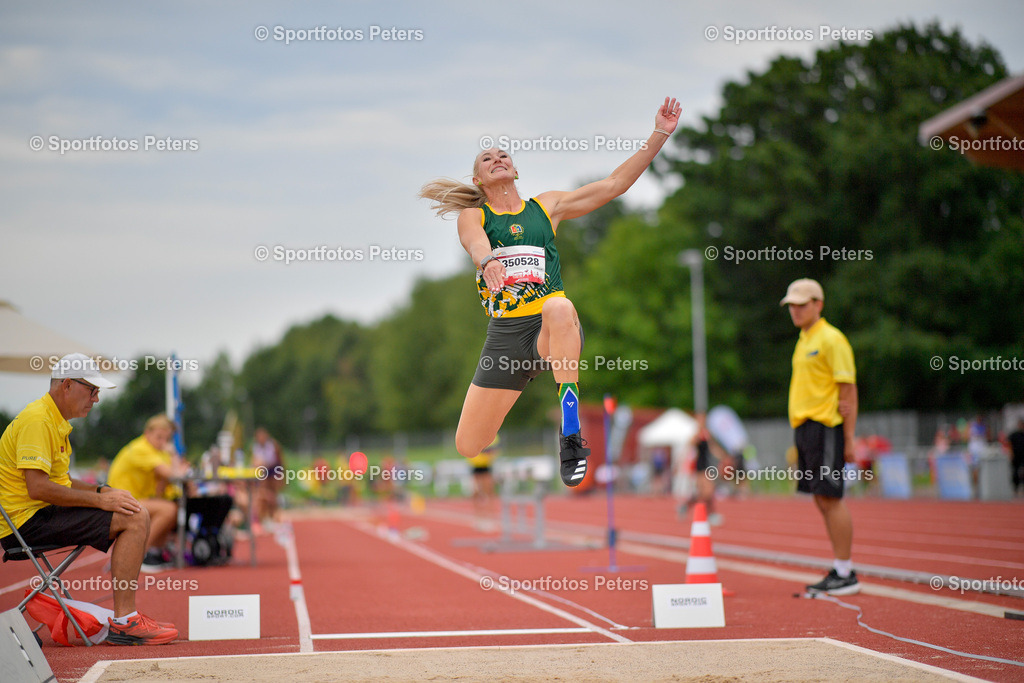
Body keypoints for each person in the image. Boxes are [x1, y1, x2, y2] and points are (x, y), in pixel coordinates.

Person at [420, 97, 682, 487]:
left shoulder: (546, 207)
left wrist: (659, 134)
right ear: (478, 181)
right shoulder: (475, 215)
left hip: (550, 331)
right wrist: (488, 261)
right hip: (506, 338)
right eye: (486, 158)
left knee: (560, 306)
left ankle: (571, 430)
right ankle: (532, 399)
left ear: (516, 169)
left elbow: (614, 185)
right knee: (468, 445)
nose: (497, 158)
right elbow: (475, 242)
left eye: (503, 154)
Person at [0, 353, 177, 644]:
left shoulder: (52, 419)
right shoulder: (37, 420)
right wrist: (102, 502)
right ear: (67, 385)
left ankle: (126, 617)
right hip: (26, 522)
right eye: (92, 390)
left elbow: (63, 483)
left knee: (134, 510)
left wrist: (101, 490)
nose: (96, 398)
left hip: (35, 515)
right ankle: (125, 621)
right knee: (135, 517)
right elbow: (38, 489)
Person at [781, 279, 860, 596]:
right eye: (792, 305)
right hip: (805, 429)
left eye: (802, 304)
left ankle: (846, 571)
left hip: (827, 427)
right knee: (819, 497)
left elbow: (849, 391)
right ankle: (840, 569)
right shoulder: (803, 340)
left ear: (818, 304)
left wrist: (850, 438)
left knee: (831, 496)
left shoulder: (832, 339)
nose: (796, 310)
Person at [107, 414, 189, 572]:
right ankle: (139, 555)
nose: (163, 443)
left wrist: (174, 471)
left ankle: (155, 552)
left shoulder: (156, 451)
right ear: (147, 433)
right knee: (169, 509)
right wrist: (174, 458)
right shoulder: (141, 449)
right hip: (118, 501)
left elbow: (165, 485)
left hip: (135, 499)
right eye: (159, 437)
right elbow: (175, 474)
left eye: (167, 439)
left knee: (171, 506)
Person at [251, 427, 283, 526]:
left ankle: (273, 516)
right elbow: (255, 461)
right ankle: (263, 517)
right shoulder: (256, 447)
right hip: (262, 473)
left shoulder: (272, 446)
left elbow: (275, 461)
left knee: (273, 496)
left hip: (273, 471)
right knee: (263, 495)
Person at [469, 435, 500, 529]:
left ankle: (490, 516)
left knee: (489, 491)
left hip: (486, 465)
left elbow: (494, 450)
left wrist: (485, 450)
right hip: (475, 466)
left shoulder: (493, 434)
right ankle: (478, 517)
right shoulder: (471, 432)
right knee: (475, 492)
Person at [1009, 419, 1024, 496]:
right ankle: (1016, 488)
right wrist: (1011, 453)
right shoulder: (1014, 435)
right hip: (1016, 456)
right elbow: (1009, 444)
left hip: (1023, 456)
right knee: (1015, 472)